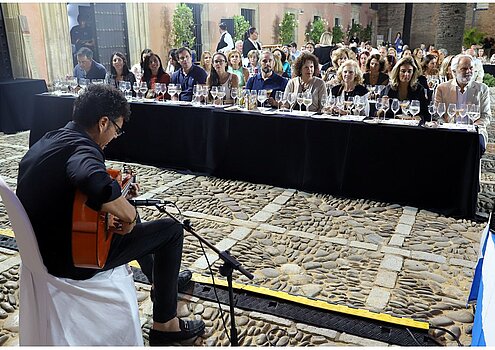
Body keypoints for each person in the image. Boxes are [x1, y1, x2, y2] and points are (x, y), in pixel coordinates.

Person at [16, 84, 206, 346]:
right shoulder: (84, 149)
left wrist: (118, 200)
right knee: (170, 231)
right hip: (72, 259)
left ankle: (160, 280)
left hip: (46, 245)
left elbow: (68, 190)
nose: (115, 136)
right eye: (117, 129)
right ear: (103, 122)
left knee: (132, 219)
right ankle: (166, 325)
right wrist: (127, 212)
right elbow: (88, 176)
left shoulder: (51, 138)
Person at [435, 54, 491, 153]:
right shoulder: (442, 88)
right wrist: (447, 126)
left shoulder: (482, 89)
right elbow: (437, 114)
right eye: (464, 69)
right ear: (454, 71)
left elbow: (485, 116)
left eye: (471, 68)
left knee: (476, 145)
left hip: (474, 131)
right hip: (449, 130)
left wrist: (473, 127)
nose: (469, 72)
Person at [381, 56, 429, 121]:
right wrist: (382, 108)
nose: (406, 74)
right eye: (403, 71)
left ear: (413, 73)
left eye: (409, 71)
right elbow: (378, 113)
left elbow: (425, 113)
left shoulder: (419, 89)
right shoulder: (389, 89)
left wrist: (416, 118)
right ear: (397, 72)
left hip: (412, 126)